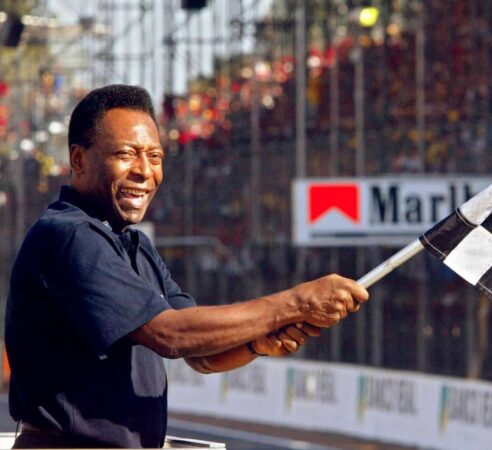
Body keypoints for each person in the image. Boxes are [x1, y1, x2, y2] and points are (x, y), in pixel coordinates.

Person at [4, 84, 369, 448]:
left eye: (155, 156)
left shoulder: (135, 245)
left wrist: (257, 344)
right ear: (79, 160)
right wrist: (296, 304)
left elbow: (201, 354)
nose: (144, 171)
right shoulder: (69, 234)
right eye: (127, 154)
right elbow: (171, 336)